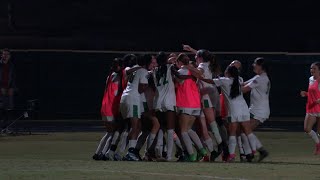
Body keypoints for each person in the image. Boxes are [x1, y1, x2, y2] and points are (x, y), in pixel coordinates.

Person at [211, 65, 257, 162]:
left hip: (233, 109)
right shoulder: (239, 80)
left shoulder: (224, 80)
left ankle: (231, 156)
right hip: (244, 108)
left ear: (227, 73)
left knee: (232, 133)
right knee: (247, 131)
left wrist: (199, 76)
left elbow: (209, 81)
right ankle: (253, 152)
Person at [173, 53, 207, 162]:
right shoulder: (193, 71)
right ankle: (202, 150)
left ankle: (191, 154)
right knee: (188, 130)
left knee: (183, 131)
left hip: (185, 103)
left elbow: (179, 81)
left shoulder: (181, 71)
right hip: (195, 104)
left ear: (179, 62)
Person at [120, 54, 150, 161]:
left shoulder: (131, 68)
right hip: (133, 99)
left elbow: (126, 72)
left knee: (131, 127)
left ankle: (120, 152)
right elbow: (142, 88)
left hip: (125, 97)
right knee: (135, 126)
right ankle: (129, 152)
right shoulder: (144, 71)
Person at [242, 57, 270, 161]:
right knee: (244, 130)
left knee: (245, 130)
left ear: (261, 66)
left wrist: (227, 85)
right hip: (256, 110)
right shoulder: (260, 77)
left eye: (255, 64)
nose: (253, 65)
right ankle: (255, 152)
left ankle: (253, 153)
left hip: (258, 111)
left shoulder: (260, 78)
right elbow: (244, 83)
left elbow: (244, 89)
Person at [300, 62, 320, 155]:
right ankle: (318, 144)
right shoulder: (311, 79)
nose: (312, 70)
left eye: (314, 68)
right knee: (307, 128)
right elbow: (312, 93)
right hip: (312, 107)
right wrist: (306, 94)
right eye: (311, 68)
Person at [0, 48, 16, 132]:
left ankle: (6, 128)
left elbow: (12, 78)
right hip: (1, 89)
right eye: (4, 54)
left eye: (7, 54)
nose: (5, 56)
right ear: (1, 55)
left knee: (9, 108)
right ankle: (2, 127)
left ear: (10, 56)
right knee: (2, 108)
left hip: (9, 89)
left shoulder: (11, 65)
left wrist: (12, 88)